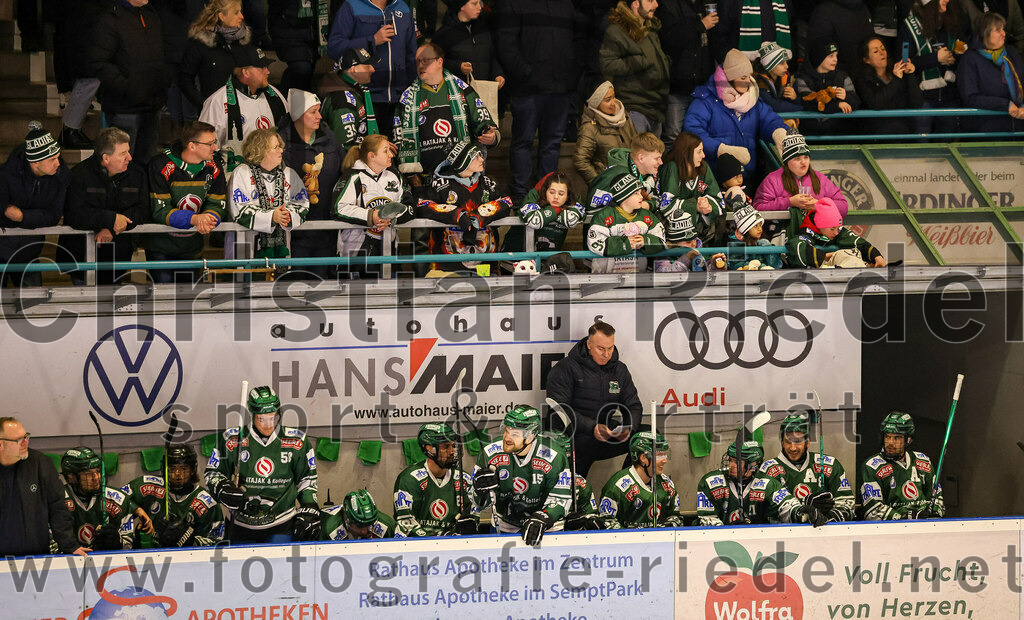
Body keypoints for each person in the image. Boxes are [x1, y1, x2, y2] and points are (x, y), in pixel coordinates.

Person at [204, 385, 320, 544]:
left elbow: (307, 478)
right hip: (240, 525)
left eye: (273, 417)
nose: (268, 424)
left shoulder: (296, 441)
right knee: (238, 568)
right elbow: (212, 474)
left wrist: (309, 506)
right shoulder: (231, 440)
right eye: (261, 419)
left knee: (280, 567)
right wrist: (222, 487)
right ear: (251, 415)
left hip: (281, 523)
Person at [495, 0, 585, 201]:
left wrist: (572, 73)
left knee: (552, 143)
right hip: (527, 89)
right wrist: (526, 73)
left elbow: (579, 41)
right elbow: (505, 43)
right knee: (523, 141)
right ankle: (520, 193)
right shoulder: (514, 4)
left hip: (560, 87)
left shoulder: (566, 5)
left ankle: (547, 193)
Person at [546, 321, 644, 477]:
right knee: (576, 491)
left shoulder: (619, 370)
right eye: (601, 349)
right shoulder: (565, 367)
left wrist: (628, 428)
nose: (606, 354)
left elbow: (634, 405)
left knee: (647, 439)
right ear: (589, 344)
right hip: (573, 439)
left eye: (610, 348)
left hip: (605, 435)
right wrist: (592, 427)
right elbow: (560, 408)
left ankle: (629, 488)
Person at [471, 405, 572, 545]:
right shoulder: (490, 453)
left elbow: (562, 500)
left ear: (530, 437)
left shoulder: (554, 456)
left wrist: (544, 517)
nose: (507, 437)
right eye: (506, 431)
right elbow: (478, 503)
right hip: (505, 525)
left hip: (546, 528)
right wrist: (480, 493)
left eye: (515, 434)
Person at [395, 42, 499, 178]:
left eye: (426, 60)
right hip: (427, 178)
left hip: (464, 175)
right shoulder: (407, 97)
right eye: (418, 62)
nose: (420, 65)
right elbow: (400, 138)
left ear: (439, 61)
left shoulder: (463, 89)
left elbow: (485, 125)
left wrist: (491, 137)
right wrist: (412, 176)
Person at [59, 127, 147, 286]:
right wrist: (110, 218)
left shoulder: (137, 174)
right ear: (106, 158)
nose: (129, 157)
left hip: (117, 258)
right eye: (123, 154)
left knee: (110, 306)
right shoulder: (79, 175)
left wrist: (111, 227)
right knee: (86, 305)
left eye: (128, 151)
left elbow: (142, 210)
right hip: (80, 258)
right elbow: (74, 214)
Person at [684, 49, 788, 178]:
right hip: (714, 177)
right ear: (729, 78)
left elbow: (770, 119)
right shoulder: (705, 101)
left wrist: (779, 132)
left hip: (747, 176)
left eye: (749, 76)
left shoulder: (753, 100)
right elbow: (693, 133)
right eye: (742, 77)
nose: (748, 82)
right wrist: (721, 150)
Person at [146, 121, 228, 284]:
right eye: (210, 143)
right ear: (192, 146)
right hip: (161, 246)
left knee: (190, 300)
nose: (215, 148)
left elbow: (217, 203)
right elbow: (160, 211)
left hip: (192, 247)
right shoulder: (160, 165)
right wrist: (194, 219)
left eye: (215, 142)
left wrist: (209, 218)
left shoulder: (215, 166)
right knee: (165, 300)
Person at [88, 0, 168, 160]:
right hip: (124, 108)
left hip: (152, 105)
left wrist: (164, 81)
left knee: (146, 166)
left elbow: (160, 55)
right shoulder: (109, 18)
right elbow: (98, 62)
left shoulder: (152, 15)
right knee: (121, 166)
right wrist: (129, 88)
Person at [415, 140, 512, 271]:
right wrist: (458, 215)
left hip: (485, 263)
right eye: (476, 156)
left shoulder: (487, 183)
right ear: (463, 162)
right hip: (447, 266)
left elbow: (507, 202)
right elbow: (423, 205)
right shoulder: (440, 184)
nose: (481, 159)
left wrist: (480, 215)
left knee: (484, 290)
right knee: (449, 290)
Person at [326, 0, 417, 136]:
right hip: (366, 96)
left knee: (396, 152)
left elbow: (412, 54)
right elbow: (334, 48)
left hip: (400, 97)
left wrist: (412, 89)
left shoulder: (402, 7)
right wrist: (372, 40)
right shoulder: (352, 6)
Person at [279, 89, 343, 280]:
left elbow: (344, 173)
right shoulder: (279, 143)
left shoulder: (330, 140)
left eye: (319, 111)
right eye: (313, 112)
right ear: (298, 115)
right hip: (293, 232)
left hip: (326, 229)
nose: (320, 116)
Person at [0, 417, 85, 557]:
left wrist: (69, 545)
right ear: (1, 444)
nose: (25, 442)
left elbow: (58, 507)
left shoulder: (40, 463)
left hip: (35, 556)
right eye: (18, 440)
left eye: (26, 436)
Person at [199, 44, 289, 173]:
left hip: (272, 179)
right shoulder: (218, 101)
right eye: (262, 67)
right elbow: (204, 148)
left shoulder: (275, 95)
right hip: (235, 181)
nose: (268, 71)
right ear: (246, 72)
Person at [0, 123, 70, 288]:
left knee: (33, 309)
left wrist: (22, 216)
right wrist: (34, 218)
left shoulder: (61, 176)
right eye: (52, 159)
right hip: (2, 250)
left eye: (58, 157)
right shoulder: (6, 175)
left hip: (30, 253)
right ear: (35, 162)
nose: (58, 163)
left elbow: (53, 216)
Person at [333, 134, 411, 278]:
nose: (391, 155)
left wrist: (392, 218)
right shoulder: (353, 176)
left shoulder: (394, 175)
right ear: (372, 156)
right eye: (385, 151)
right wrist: (371, 216)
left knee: (388, 298)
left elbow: (409, 204)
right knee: (355, 299)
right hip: (355, 255)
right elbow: (338, 208)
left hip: (389, 251)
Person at [759, 413, 855, 525]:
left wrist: (829, 520)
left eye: (798, 441)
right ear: (781, 442)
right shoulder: (768, 469)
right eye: (788, 441)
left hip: (823, 535)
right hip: (783, 535)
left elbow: (847, 503)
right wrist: (805, 505)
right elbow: (767, 511)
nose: (792, 447)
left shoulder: (829, 464)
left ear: (808, 442)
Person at [121, 444, 225, 548]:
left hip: (186, 560)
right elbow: (119, 500)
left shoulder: (207, 502)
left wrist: (190, 541)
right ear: (165, 469)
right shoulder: (148, 486)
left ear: (193, 470)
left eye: (183, 469)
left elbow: (217, 542)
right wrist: (138, 510)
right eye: (172, 468)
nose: (178, 473)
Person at [229, 128, 310, 260]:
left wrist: (287, 215)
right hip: (247, 247)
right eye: (276, 147)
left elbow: (302, 203)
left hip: (282, 247)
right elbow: (239, 209)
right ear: (260, 150)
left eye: (280, 147)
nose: (281, 151)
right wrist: (272, 216)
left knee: (279, 280)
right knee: (248, 279)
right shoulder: (242, 173)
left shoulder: (289, 174)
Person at [599, 0, 672, 136]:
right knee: (633, 155)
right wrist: (637, 62)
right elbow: (607, 64)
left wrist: (665, 62)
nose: (656, 5)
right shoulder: (617, 30)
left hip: (655, 107)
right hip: (634, 107)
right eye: (650, 0)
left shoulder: (650, 30)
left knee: (651, 156)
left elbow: (653, 61)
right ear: (635, 4)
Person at [393, 423, 478, 537]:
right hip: (415, 549)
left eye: (453, 446)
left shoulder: (463, 479)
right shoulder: (409, 479)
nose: (452, 451)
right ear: (430, 449)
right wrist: (441, 537)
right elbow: (407, 524)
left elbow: (473, 515)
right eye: (445, 447)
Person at [898, 0, 969, 134]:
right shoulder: (909, 26)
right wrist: (935, 59)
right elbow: (905, 63)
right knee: (922, 144)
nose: (947, 1)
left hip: (950, 96)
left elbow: (964, 48)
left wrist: (953, 56)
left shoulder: (952, 21)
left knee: (947, 145)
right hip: (922, 98)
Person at [695, 440, 804, 525]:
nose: (731, 465)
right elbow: (707, 520)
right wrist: (729, 531)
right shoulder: (711, 483)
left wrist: (802, 513)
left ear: (753, 465)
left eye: (737, 462)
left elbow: (787, 506)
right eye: (730, 460)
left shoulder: (766, 484)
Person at [861, 411, 946, 520]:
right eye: (887, 437)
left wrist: (934, 514)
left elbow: (937, 499)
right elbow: (873, 511)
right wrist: (904, 517)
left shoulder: (923, 461)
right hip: (891, 532)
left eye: (897, 438)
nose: (890, 442)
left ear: (908, 440)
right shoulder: (872, 466)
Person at [657, 0, 718, 143]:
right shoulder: (668, 6)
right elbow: (670, 39)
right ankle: (670, 166)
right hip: (678, 86)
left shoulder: (703, 4)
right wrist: (701, 26)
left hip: (702, 87)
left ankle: (694, 166)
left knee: (698, 137)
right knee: (673, 136)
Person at [599, 431, 685, 528]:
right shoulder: (617, 487)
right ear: (643, 457)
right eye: (659, 455)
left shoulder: (667, 484)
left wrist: (668, 526)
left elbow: (676, 517)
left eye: (665, 455)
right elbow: (606, 522)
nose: (665, 461)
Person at [179, 0, 253, 113]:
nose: (242, 16)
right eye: (236, 12)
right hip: (213, 116)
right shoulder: (201, 43)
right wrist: (205, 105)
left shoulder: (243, 41)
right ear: (222, 16)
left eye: (241, 12)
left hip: (244, 112)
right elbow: (185, 79)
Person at [587, 171, 667, 273]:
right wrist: (625, 244)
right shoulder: (603, 216)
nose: (641, 197)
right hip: (606, 280)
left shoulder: (647, 215)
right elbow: (594, 243)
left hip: (638, 276)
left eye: (640, 192)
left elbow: (661, 239)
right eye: (636, 193)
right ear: (623, 196)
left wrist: (645, 241)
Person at [753, 131, 850, 215]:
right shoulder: (773, 179)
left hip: (817, 230)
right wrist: (789, 202)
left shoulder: (820, 178)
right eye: (797, 158)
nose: (803, 162)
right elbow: (758, 208)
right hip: (784, 232)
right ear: (787, 161)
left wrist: (818, 204)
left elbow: (844, 207)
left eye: (806, 157)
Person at [958, 12, 1024, 131]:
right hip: (986, 130)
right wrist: (1005, 105)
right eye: (998, 30)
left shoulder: (1011, 52)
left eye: (1003, 29)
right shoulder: (970, 58)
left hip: (1018, 128)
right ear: (985, 33)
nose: (1004, 34)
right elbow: (970, 97)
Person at [658, 131, 726, 246]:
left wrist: (708, 205)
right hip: (677, 237)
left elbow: (719, 201)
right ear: (686, 152)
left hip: (701, 234)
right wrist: (695, 206)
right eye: (699, 151)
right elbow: (666, 205)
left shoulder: (704, 167)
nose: (703, 155)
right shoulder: (672, 168)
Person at [60, 447, 135, 551]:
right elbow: (50, 547)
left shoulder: (117, 499)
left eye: (98, 471)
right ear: (71, 477)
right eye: (88, 474)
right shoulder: (57, 500)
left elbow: (129, 547)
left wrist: (117, 542)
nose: (96, 478)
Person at [785, 196, 887, 267]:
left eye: (837, 228)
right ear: (820, 226)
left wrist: (877, 257)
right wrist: (824, 256)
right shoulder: (807, 230)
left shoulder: (838, 231)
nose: (836, 232)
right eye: (832, 229)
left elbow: (858, 242)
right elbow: (796, 246)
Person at [585, 132, 665, 218]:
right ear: (641, 158)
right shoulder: (616, 175)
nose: (661, 162)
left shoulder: (645, 172)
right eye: (656, 158)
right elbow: (592, 211)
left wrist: (647, 205)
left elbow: (656, 201)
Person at [853, 35, 924, 134]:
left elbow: (917, 103)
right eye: (876, 51)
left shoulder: (897, 72)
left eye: (883, 49)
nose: (882, 53)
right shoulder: (863, 79)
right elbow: (876, 103)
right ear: (866, 60)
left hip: (904, 128)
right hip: (877, 131)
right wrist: (896, 80)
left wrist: (910, 75)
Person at [574, 82, 640, 184]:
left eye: (614, 97)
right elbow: (580, 161)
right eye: (608, 100)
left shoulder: (624, 118)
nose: (613, 103)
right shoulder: (589, 128)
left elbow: (637, 146)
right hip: (610, 186)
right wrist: (601, 183)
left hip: (631, 181)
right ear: (596, 102)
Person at [433, 0, 506, 92]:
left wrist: (498, 74)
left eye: (480, 3)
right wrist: (458, 66)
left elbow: (493, 55)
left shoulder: (483, 29)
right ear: (461, 6)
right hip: (457, 94)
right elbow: (434, 63)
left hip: (484, 91)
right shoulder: (444, 34)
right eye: (474, 3)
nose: (480, 7)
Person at [318, 47, 381, 152]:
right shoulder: (341, 99)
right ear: (354, 69)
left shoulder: (353, 87)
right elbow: (346, 149)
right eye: (367, 66)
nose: (373, 69)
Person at [506, 171, 586, 253]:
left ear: (567, 196)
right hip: (516, 256)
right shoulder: (535, 195)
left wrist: (549, 213)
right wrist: (556, 210)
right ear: (545, 191)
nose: (556, 197)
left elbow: (571, 220)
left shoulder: (573, 200)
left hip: (549, 257)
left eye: (561, 194)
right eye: (551, 192)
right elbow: (534, 221)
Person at [540, 430, 605, 531]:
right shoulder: (524, 478)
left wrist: (585, 522)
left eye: (566, 457)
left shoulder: (580, 484)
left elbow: (591, 515)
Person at [794, 39, 860, 134]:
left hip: (837, 135)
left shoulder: (842, 77)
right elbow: (809, 102)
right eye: (831, 56)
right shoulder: (803, 78)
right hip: (808, 134)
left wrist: (846, 96)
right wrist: (837, 105)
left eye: (836, 55)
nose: (835, 59)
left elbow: (856, 102)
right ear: (819, 57)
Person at [267, 0, 330, 93]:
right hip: (288, 31)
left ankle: (294, 101)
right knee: (301, 70)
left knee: (305, 76)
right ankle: (283, 100)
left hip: (314, 33)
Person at [807, 0, 877, 76]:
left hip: (863, 76)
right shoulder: (824, 12)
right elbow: (818, 54)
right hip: (837, 79)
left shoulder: (862, 8)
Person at [710, 0, 794, 61]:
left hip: (776, 70)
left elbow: (792, 32)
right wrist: (729, 65)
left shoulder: (784, 2)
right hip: (741, 72)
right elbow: (719, 35)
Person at [322, 489, 407, 540]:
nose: (364, 531)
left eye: (369, 524)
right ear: (347, 520)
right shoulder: (331, 530)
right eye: (360, 526)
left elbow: (405, 545)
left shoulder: (384, 523)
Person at [725, 201, 783, 269]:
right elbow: (735, 266)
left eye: (760, 225)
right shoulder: (735, 244)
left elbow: (776, 266)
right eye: (755, 226)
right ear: (745, 229)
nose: (760, 229)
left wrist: (768, 249)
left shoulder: (761, 243)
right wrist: (759, 266)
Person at [754, 40, 802, 112]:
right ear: (770, 65)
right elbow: (776, 107)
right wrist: (801, 107)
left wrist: (795, 98)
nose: (787, 66)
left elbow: (787, 103)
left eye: (786, 62)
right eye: (782, 63)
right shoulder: (760, 83)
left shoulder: (784, 79)